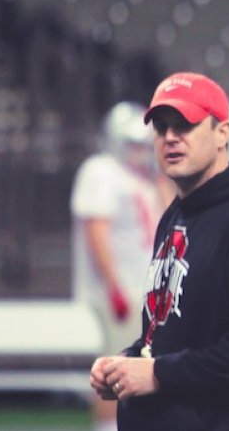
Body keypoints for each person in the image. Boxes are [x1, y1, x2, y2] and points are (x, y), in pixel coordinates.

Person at [88, 72, 229, 430]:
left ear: (222, 133)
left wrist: (159, 373)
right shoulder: (175, 214)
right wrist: (127, 362)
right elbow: (170, 333)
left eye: (185, 125)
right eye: (160, 127)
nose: (170, 137)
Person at [71, 101, 164, 431]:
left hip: (145, 295)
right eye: (133, 144)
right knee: (115, 370)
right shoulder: (101, 171)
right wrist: (114, 287)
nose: (139, 152)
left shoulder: (146, 179)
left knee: (140, 371)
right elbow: (96, 230)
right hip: (120, 292)